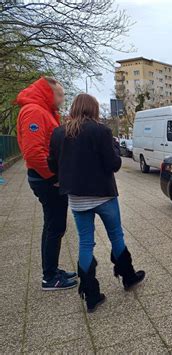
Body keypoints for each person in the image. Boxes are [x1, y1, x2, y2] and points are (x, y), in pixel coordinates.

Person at [48, 93, 145, 313]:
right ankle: (128, 277)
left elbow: (53, 165)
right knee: (116, 235)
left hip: (77, 199)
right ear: (93, 109)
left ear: (73, 108)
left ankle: (91, 294)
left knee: (85, 243)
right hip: (104, 195)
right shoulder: (101, 131)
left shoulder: (58, 133)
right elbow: (114, 164)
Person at [16, 77, 78, 290]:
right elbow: (34, 153)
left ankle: (51, 270)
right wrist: (53, 177)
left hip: (46, 178)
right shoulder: (35, 112)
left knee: (53, 225)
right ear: (48, 93)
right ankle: (50, 277)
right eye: (60, 95)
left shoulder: (43, 111)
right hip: (46, 181)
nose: (62, 99)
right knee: (55, 226)